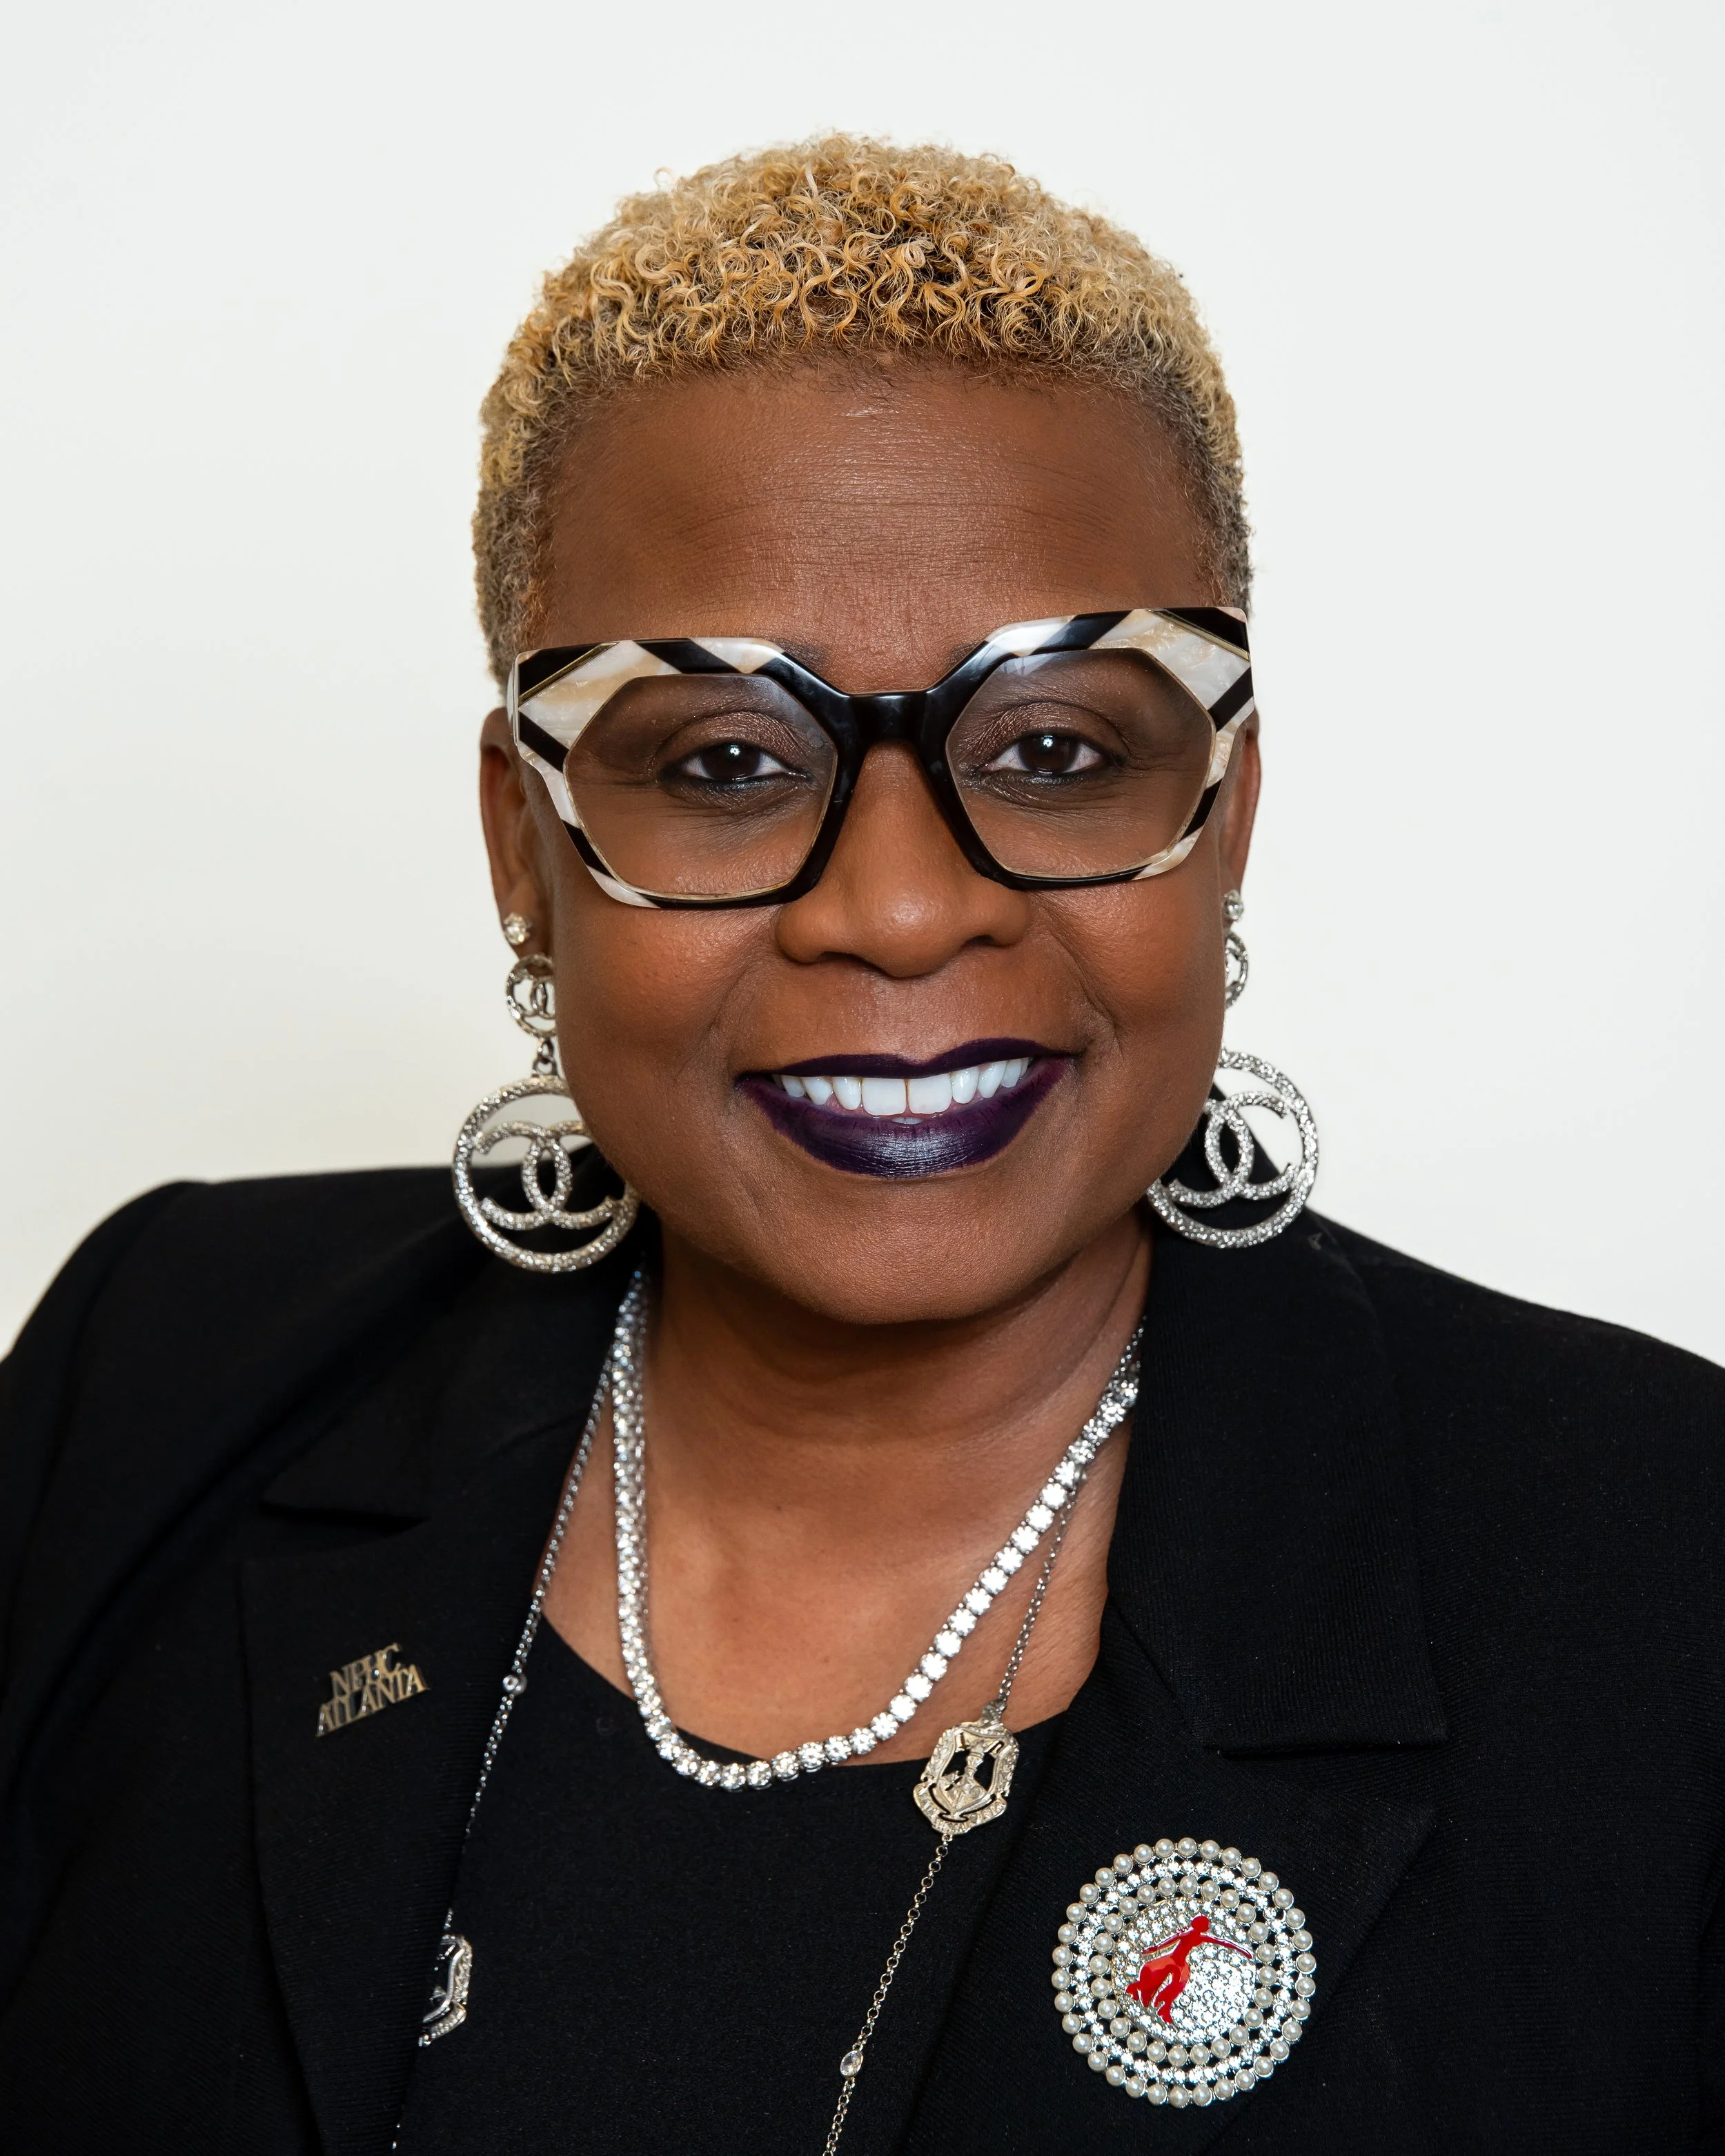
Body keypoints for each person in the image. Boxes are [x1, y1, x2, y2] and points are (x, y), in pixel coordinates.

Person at [1, 136, 1721, 2156]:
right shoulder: (160, 1369)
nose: (899, 910)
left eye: (1057, 749)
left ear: (1223, 816)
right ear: (524, 853)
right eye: (725, 761)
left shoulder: (1653, 1565)